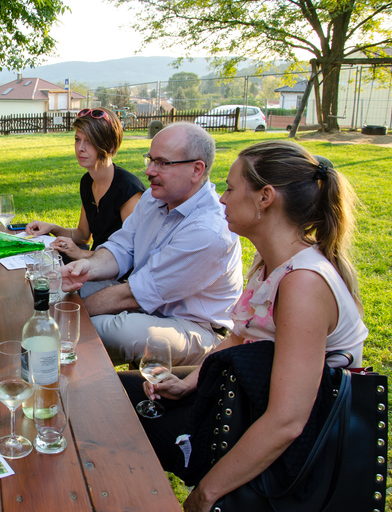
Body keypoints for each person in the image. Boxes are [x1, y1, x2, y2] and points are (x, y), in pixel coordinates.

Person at [119, 140, 368, 512]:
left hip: (292, 448)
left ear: (265, 197)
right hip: (246, 397)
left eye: (232, 189)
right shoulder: (273, 263)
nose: (221, 200)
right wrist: (188, 384)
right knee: (115, 392)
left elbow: (288, 421)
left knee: (118, 411)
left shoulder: (303, 283)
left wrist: (206, 493)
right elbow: (238, 337)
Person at [61, 122, 243, 367]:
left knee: (101, 329)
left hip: (195, 327)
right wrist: (86, 268)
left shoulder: (208, 231)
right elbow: (121, 248)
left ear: (196, 170)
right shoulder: (153, 198)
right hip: (148, 305)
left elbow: (136, 294)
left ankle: (75, 384)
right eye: (150, 159)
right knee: (58, 292)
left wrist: (71, 312)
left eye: (162, 163)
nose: (149, 171)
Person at [26, 107, 145, 261]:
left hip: (117, 276)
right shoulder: (88, 181)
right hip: (93, 263)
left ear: (110, 146)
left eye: (89, 141)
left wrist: (81, 254)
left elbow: (134, 254)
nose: (80, 148)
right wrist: (51, 228)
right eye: (77, 139)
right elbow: (83, 235)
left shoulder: (128, 190)